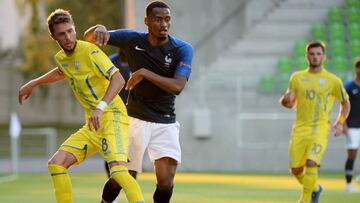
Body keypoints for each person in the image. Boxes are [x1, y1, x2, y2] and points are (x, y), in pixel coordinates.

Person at [18, 9, 144, 203]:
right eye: (62, 34)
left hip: (112, 116)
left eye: (70, 31)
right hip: (93, 124)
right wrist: (33, 83)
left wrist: (100, 108)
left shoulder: (90, 51)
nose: (68, 37)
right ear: (53, 36)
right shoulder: (61, 57)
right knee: (56, 164)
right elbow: (62, 71)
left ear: (74, 29)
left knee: (118, 171)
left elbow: (118, 79)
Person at [84, 1, 193, 202]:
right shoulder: (132, 39)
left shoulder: (182, 49)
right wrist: (98, 29)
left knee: (166, 182)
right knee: (121, 178)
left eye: (167, 19)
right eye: (158, 19)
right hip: (134, 120)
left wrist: (144, 73)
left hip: (166, 122)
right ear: (147, 21)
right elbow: (89, 37)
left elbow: (178, 86)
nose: (164, 24)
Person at [280, 41, 350, 203]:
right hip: (300, 129)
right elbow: (289, 102)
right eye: (312, 54)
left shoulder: (333, 80)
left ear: (323, 57)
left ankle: (305, 200)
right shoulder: (297, 78)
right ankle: (315, 189)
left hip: (320, 129)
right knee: (296, 169)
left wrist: (339, 122)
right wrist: (286, 100)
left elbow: (345, 103)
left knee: (311, 162)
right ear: (307, 57)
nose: (315, 57)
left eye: (318, 54)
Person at [343, 57, 360, 192]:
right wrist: (342, 124)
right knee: (352, 154)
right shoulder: (349, 85)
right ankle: (348, 185)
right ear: (356, 69)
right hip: (352, 125)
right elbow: (342, 104)